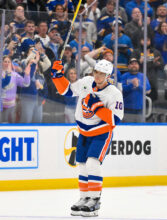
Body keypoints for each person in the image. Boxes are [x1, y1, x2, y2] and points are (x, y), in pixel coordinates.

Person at [51, 59, 123, 217]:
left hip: (101, 133)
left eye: (102, 74)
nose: (97, 76)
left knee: (92, 162)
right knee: (82, 164)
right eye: (96, 72)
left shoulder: (114, 93)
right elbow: (67, 91)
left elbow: (114, 120)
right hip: (83, 132)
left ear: (108, 76)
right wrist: (57, 76)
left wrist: (96, 106)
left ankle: (95, 199)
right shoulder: (86, 82)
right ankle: (84, 198)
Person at [1, 56, 32, 123]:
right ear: (2, 63)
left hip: (11, 107)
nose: (7, 63)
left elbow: (25, 84)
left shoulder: (15, 75)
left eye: (8, 62)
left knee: (11, 127)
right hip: (1, 107)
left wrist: (27, 75)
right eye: (5, 62)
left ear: (11, 64)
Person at [120, 58, 151, 123]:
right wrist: (131, 85)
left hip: (140, 110)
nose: (134, 65)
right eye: (132, 64)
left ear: (139, 66)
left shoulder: (143, 76)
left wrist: (138, 86)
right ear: (128, 66)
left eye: (136, 64)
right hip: (126, 109)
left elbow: (148, 90)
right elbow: (120, 90)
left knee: (140, 130)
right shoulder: (124, 76)